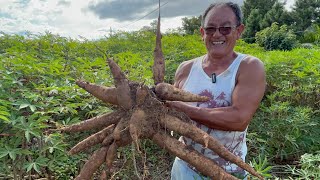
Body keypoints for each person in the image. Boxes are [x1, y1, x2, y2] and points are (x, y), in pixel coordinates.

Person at [168, 2, 266, 180]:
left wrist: (183, 109)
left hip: (226, 170)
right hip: (184, 165)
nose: (217, 34)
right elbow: (170, 112)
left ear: (239, 31)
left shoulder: (249, 67)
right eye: (210, 29)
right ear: (202, 33)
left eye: (225, 29)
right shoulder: (185, 68)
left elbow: (239, 119)